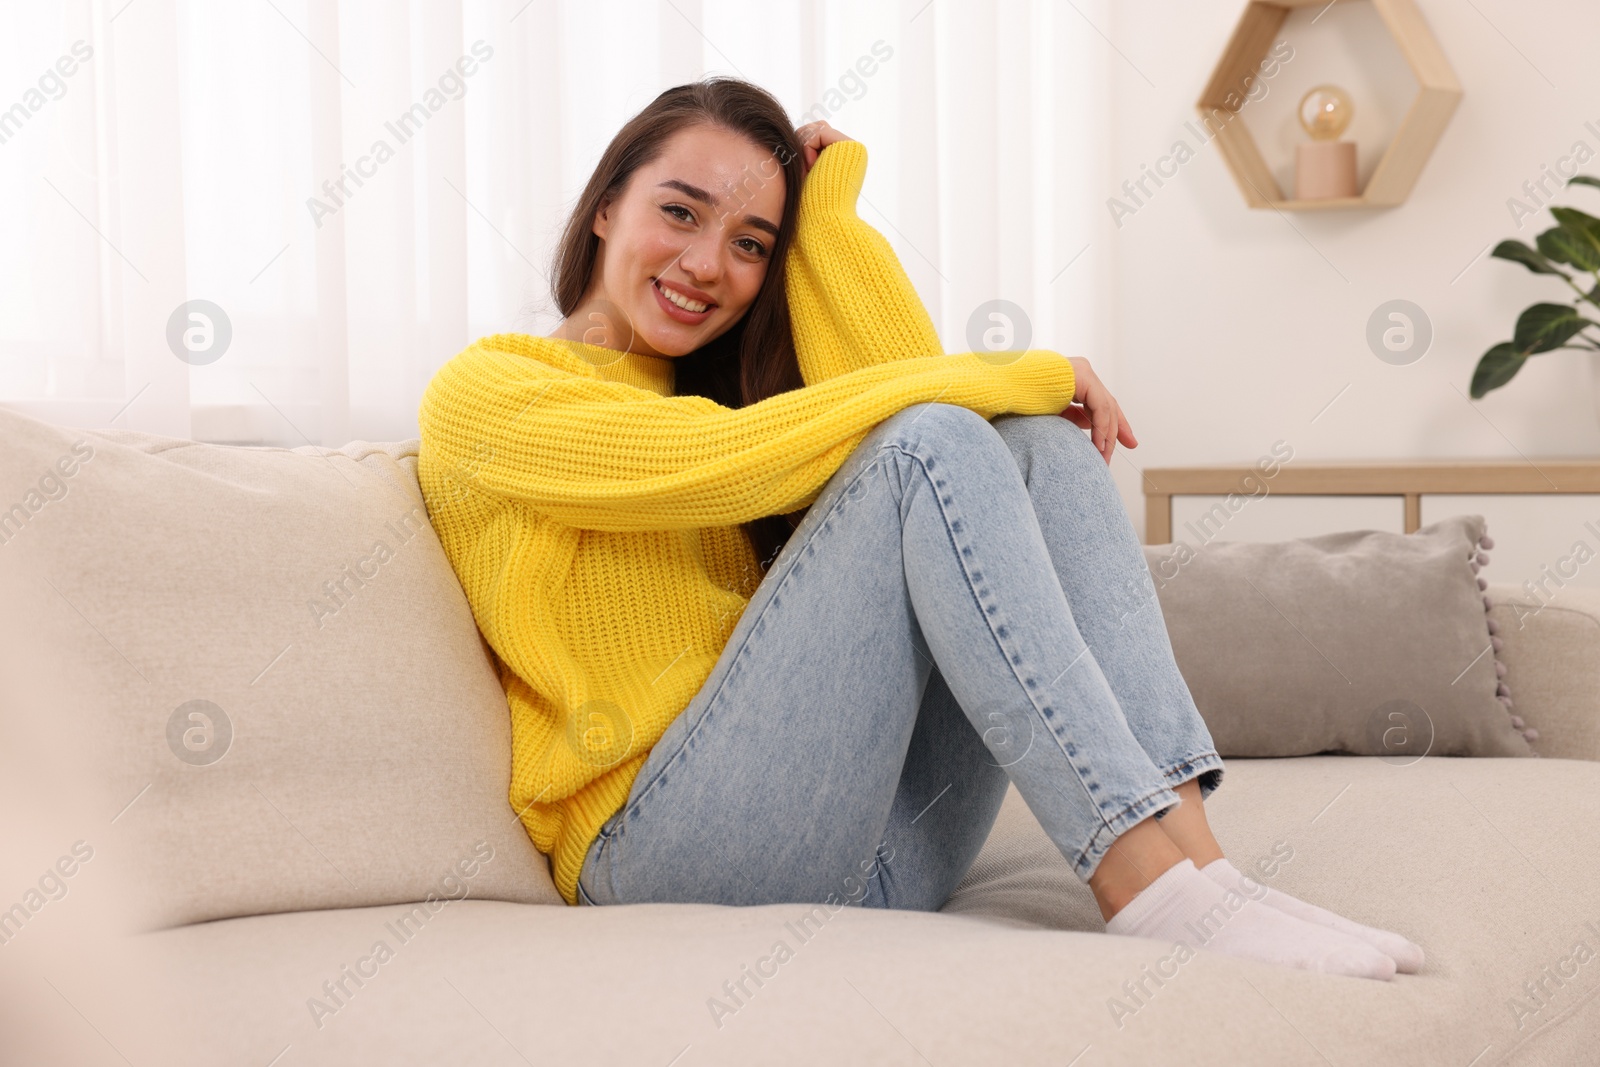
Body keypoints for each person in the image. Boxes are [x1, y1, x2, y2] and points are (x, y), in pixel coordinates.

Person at [416, 76, 1421, 981]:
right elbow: (773, 456)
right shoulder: (491, 392)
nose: (705, 264)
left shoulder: (723, 402)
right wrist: (1025, 364)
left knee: (1034, 442)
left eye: (752, 244)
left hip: (865, 849)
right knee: (938, 436)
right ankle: (1145, 886)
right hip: (659, 855)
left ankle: (1197, 866)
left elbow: (929, 404)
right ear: (604, 209)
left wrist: (832, 214)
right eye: (678, 213)